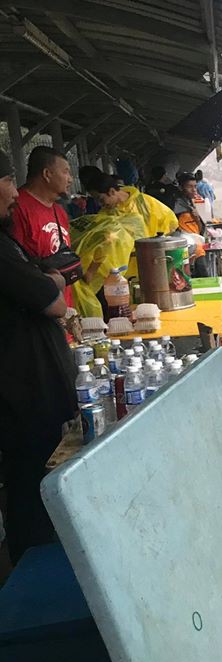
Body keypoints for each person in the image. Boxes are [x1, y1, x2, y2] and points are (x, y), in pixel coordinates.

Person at [0, 150, 76, 565]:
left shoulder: (9, 239)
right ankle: (33, 564)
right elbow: (49, 299)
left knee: (38, 471)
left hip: (32, 385)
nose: (14, 191)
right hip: (20, 388)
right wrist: (49, 281)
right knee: (30, 476)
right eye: (8, 180)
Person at [10, 146, 74, 307]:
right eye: (65, 172)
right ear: (47, 174)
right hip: (37, 313)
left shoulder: (59, 211)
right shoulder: (17, 209)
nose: (70, 179)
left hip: (65, 311)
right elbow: (15, 268)